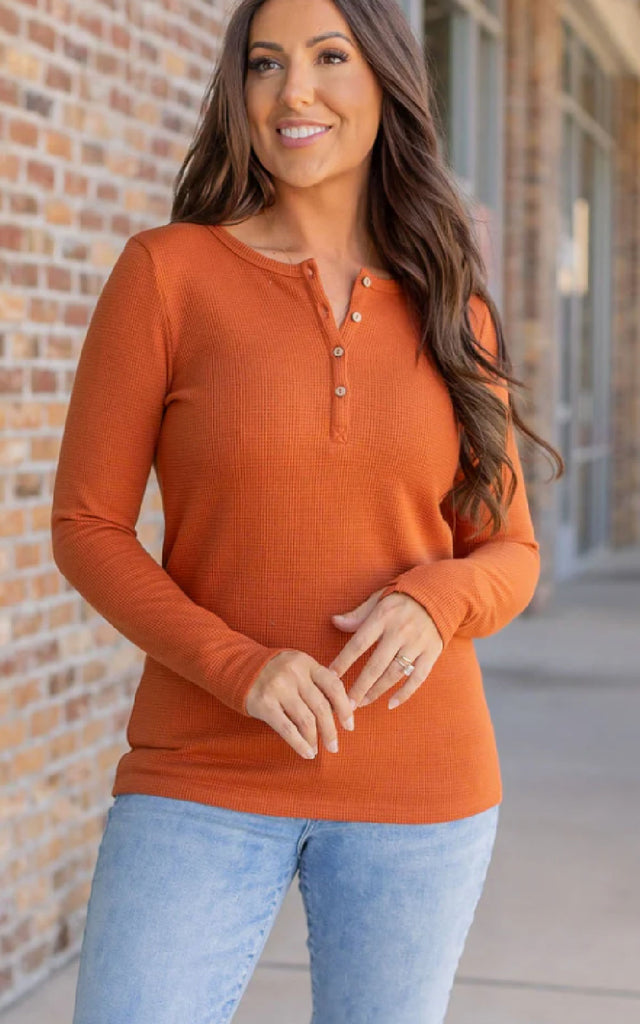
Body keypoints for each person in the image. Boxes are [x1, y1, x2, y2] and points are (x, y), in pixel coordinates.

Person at [51, 1, 564, 1021]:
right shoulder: (167, 275)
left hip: (422, 790)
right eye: (264, 63)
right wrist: (241, 667)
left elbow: (509, 551)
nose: (294, 92)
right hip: (198, 773)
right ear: (237, 91)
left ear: (384, 80)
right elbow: (86, 527)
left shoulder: (453, 304)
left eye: (329, 58)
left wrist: (435, 600)